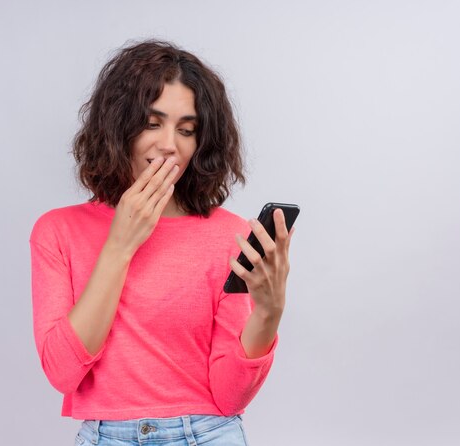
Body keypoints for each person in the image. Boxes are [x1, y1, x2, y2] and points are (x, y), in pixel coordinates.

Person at [29, 39, 295, 445]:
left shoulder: (229, 234)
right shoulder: (58, 232)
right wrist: (119, 245)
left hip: (208, 434)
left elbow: (229, 396)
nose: (169, 144)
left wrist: (268, 314)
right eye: (152, 124)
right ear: (118, 127)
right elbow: (63, 372)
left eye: (186, 130)